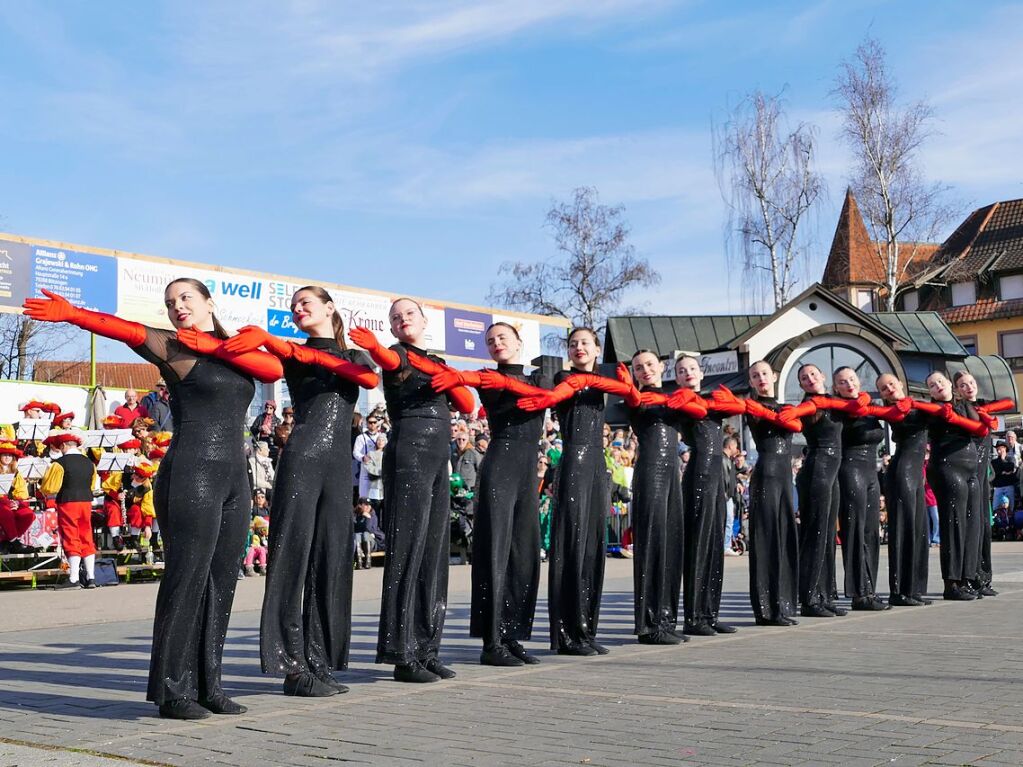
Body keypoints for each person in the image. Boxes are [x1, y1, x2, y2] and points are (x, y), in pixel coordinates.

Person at [23, 282, 283, 720]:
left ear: (208, 303)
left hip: (234, 478)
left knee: (223, 581)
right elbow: (122, 329)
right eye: (169, 303)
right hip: (191, 473)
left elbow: (273, 369)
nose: (177, 307)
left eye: (186, 299)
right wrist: (73, 314)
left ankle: (208, 686)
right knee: (187, 579)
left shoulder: (236, 348)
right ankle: (172, 690)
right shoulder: (172, 347)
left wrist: (219, 346)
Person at [223, 286, 380, 697]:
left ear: (329, 308)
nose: (297, 310)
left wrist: (285, 345)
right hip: (304, 455)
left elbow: (366, 377)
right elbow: (268, 363)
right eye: (293, 306)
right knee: (292, 557)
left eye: (305, 303)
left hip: (336, 466)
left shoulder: (352, 355)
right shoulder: (289, 350)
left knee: (331, 558)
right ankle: (292, 667)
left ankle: (319, 659)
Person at [409, 321, 554, 665]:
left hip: (526, 474)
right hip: (499, 469)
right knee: (495, 554)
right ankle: (492, 642)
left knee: (524, 555)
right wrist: (464, 377)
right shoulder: (488, 377)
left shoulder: (539, 377)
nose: (496, 343)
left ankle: (514, 635)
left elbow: (539, 398)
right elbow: (483, 382)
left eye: (503, 337)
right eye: (490, 340)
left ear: (519, 341)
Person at [349, 297, 474, 683]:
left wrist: (456, 378)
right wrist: (373, 347)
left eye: (409, 314)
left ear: (424, 321)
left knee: (434, 551)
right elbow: (389, 363)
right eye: (395, 317)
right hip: (409, 454)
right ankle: (403, 653)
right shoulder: (397, 354)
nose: (403, 320)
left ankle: (428, 647)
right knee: (408, 547)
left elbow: (467, 404)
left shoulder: (437, 362)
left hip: (438, 458)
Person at [516, 328, 643, 656]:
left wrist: (619, 384)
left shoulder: (599, 382)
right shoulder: (563, 375)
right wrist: (608, 383)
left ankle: (586, 630)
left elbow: (631, 398)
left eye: (585, 343)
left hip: (597, 469)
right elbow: (591, 388)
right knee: (571, 546)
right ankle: (567, 634)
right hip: (574, 462)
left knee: (592, 549)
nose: (578, 348)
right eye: (573, 344)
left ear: (597, 349)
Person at [618, 351, 700, 644]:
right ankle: (649, 625)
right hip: (650, 472)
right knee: (652, 546)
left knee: (670, 546)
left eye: (650, 365)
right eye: (639, 367)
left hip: (671, 475)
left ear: (662, 367)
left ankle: (665, 620)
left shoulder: (673, 398)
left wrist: (685, 397)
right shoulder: (635, 398)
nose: (645, 370)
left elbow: (700, 413)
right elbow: (633, 401)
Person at [664, 355, 739, 637]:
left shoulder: (712, 401)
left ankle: (710, 613)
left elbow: (735, 406)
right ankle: (694, 617)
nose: (687, 373)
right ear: (677, 377)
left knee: (714, 546)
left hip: (717, 476)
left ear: (701, 372)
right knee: (698, 546)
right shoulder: (681, 399)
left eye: (692, 369)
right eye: (681, 371)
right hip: (698, 474)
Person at [778, 364, 851, 617]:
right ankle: (809, 598)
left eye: (812, 374)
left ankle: (824, 595)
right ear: (801, 385)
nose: (809, 379)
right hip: (818, 469)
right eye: (803, 378)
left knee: (828, 534)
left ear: (822, 376)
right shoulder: (810, 406)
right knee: (816, 533)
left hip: (832, 471)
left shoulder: (834, 402)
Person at [741, 362, 802, 626]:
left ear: (774, 376)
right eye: (755, 375)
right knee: (766, 541)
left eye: (764, 373)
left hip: (785, 477)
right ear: (751, 381)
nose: (761, 378)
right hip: (766, 473)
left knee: (785, 537)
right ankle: (766, 609)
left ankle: (785, 604)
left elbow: (797, 424)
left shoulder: (786, 407)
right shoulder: (752, 408)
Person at [872, 374, 937, 606]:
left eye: (891, 384)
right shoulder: (894, 411)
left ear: (901, 383)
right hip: (902, 472)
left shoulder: (916, 404)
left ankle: (914, 589)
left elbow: (939, 410)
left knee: (919, 531)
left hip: (915, 474)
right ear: (881, 394)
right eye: (883, 389)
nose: (889, 389)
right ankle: (899, 591)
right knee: (903, 531)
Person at [924, 370, 989, 600]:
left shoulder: (963, 405)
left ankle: (967, 579)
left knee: (972, 525)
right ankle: (951, 583)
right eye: (932, 385)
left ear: (950, 384)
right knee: (953, 525)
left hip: (970, 470)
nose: (937, 386)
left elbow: (979, 427)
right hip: (947, 468)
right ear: (930, 392)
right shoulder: (933, 411)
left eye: (940, 381)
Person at [829, 367, 888, 611]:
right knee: (854, 531)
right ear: (836, 388)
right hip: (850, 469)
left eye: (852, 379)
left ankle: (869, 589)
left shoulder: (868, 405)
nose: (849, 384)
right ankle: (858, 593)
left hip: (871, 472)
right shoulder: (838, 409)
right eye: (842, 382)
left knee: (870, 532)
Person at [953, 371, 1014, 597]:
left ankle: (984, 577)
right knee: (973, 526)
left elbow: (1009, 401)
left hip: (982, 473)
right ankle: (969, 578)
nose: (968, 387)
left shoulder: (983, 406)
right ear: (957, 390)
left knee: (985, 528)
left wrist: (985, 411)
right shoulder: (960, 410)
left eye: (971, 383)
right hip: (969, 470)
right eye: (962, 385)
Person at [39, 428, 98, 588]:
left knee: (71, 535)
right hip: (86, 502)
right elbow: (92, 484)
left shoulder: (59, 464)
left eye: (61, 447)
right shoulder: (89, 463)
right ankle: (91, 577)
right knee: (86, 535)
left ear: (64, 445)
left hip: (68, 502)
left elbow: (49, 488)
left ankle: (73, 578)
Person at [0, 442, 34, 554]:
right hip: (1, 503)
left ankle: (9, 542)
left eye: (10, 455)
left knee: (28, 514)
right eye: (4, 455)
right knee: (5, 512)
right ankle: (15, 542)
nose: (7, 457)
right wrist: (6, 502)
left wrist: (18, 503)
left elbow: (21, 491)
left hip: (12, 502)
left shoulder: (16, 472)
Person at [353, 497, 380, 570]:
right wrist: (361, 515)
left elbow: (370, 530)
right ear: (360, 505)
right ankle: (359, 562)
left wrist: (368, 518)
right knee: (357, 535)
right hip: (357, 543)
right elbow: (354, 528)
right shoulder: (354, 515)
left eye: (370, 505)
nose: (369, 507)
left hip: (371, 543)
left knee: (366, 534)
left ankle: (368, 561)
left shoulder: (372, 515)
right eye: (366, 505)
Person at [991, 442, 1018, 514]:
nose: (998, 451)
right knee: (996, 506)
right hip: (998, 486)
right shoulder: (994, 461)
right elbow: (995, 472)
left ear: (1004, 448)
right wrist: (1005, 471)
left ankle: (1010, 521)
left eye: (1000, 449)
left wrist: (1003, 460)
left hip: (1009, 485)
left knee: (1011, 506)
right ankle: (997, 521)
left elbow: (1010, 468)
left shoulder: (1011, 458)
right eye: (997, 449)